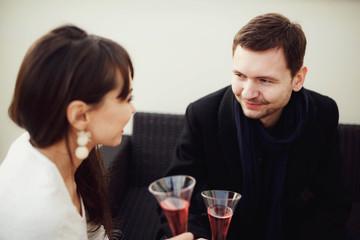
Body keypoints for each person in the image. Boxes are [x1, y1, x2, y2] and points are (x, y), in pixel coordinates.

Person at [159, 13, 352, 240]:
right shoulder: (203, 115)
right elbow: (176, 198)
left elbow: (333, 201)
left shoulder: (322, 113)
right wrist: (196, 236)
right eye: (240, 75)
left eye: (265, 80)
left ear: (298, 78)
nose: (247, 93)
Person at [0, 25, 195, 240]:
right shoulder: (43, 219)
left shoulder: (40, 147)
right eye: (126, 98)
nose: (133, 109)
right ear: (80, 115)